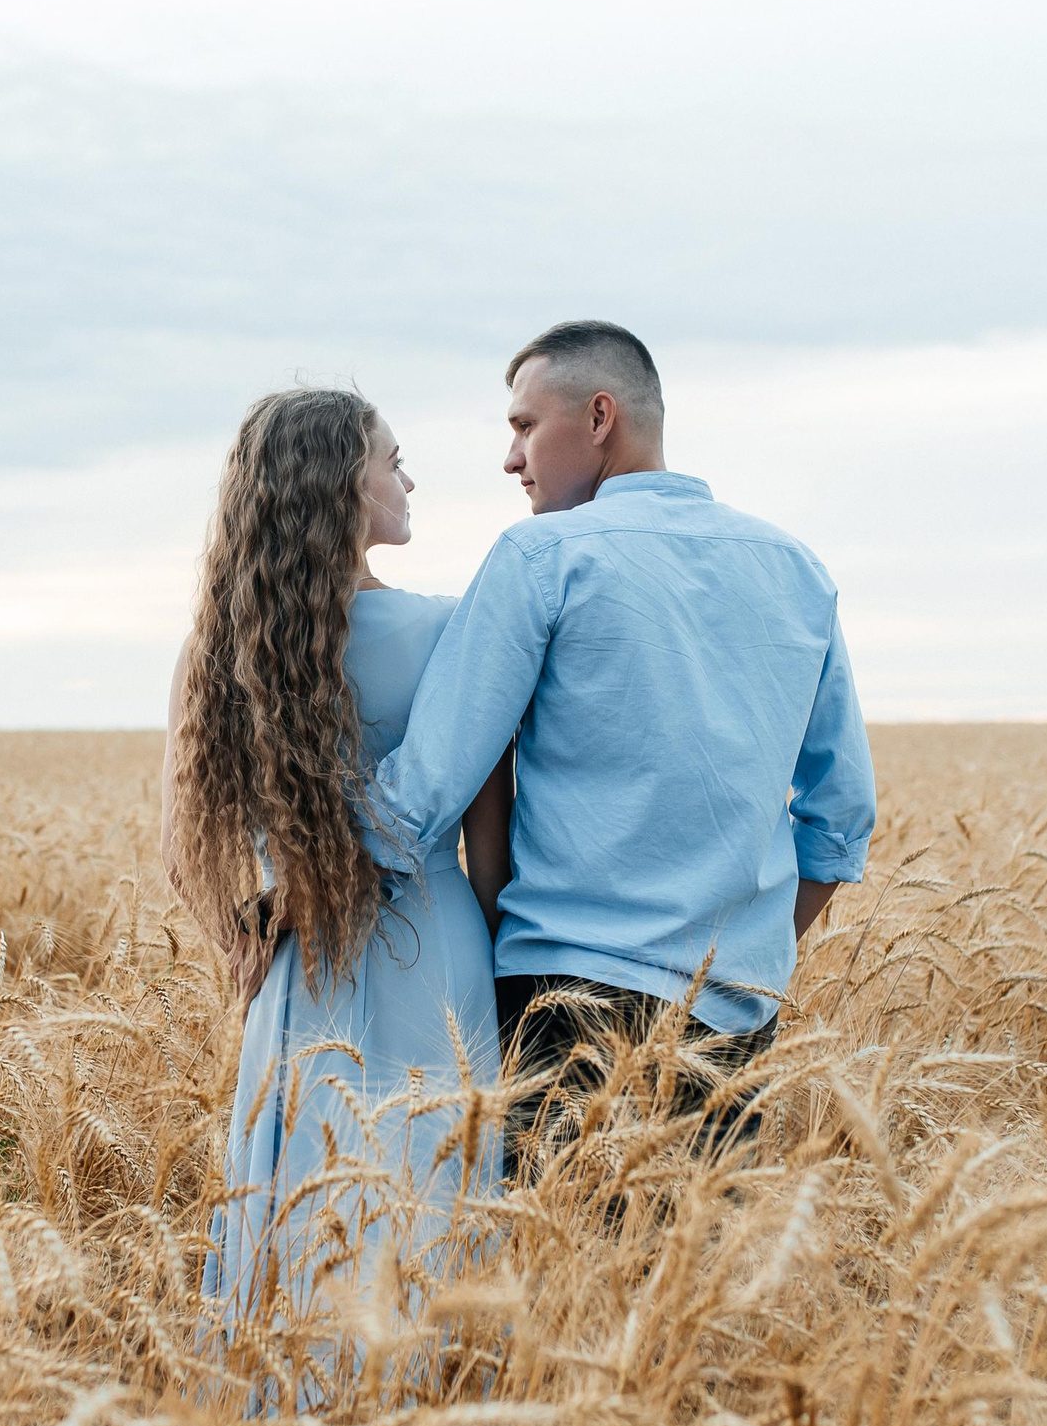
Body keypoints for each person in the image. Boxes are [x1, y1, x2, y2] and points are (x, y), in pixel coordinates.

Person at [363, 320, 876, 1180]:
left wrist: (294, 883)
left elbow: (426, 785)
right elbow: (842, 820)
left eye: (526, 426)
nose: (512, 458)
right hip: (734, 1022)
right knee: (693, 1265)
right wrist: (736, 959)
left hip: (565, 1010)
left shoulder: (541, 558)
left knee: (558, 1262)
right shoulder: (796, 568)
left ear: (600, 417)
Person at [162, 387, 508, 1326]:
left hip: (299, 969)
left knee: (298, 1218)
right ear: (343, 485)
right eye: (393, 461)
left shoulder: (221, 649)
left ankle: (289, 1409)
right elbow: (489, 850)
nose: (409, 479)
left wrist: (252, 937)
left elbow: (185, 851)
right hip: (436, 955)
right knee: (434, 1212)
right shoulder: (446, 633)